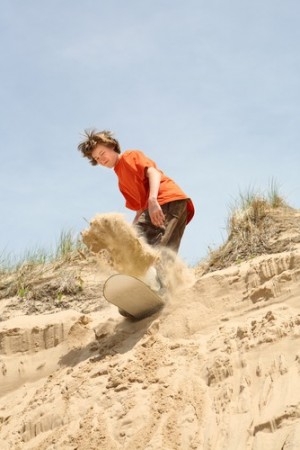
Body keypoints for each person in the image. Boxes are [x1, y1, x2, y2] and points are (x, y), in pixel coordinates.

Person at [78, 129, 195, 256]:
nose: (101, 159)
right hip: (173, 205)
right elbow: (139, 210)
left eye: (102, 153)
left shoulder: (129, 156)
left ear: (112, 146)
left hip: (166, 199)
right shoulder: (121, 183)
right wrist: (130, 229)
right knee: (163, 254)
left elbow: (153, 172)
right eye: (97, 158)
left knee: (136, 246)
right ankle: (166, 276)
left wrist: (153, 200)